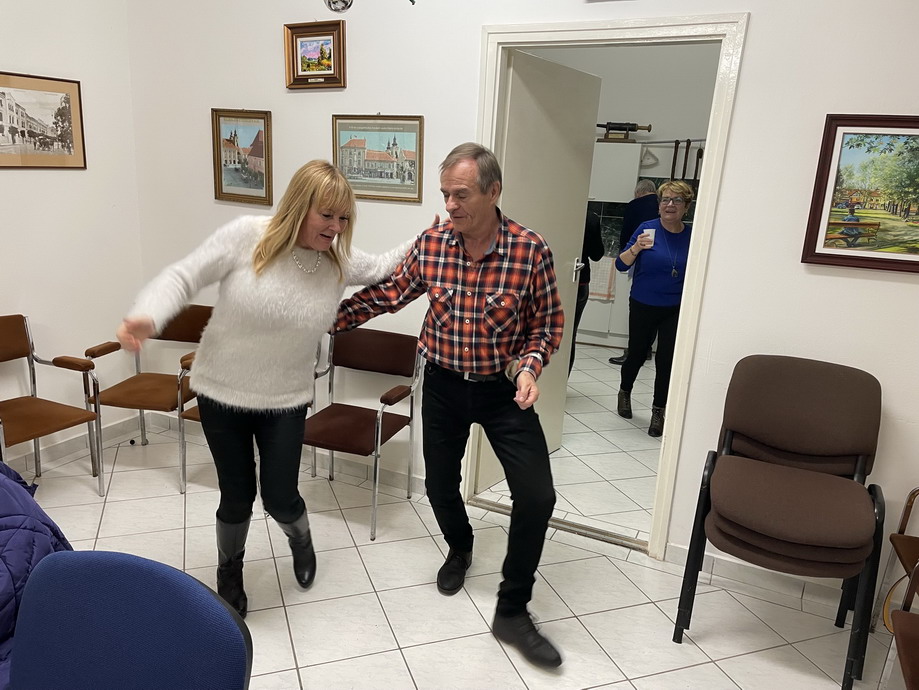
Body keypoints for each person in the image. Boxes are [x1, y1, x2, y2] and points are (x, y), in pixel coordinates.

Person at [115, 160, 408, 618]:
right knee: (236, 496)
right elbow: (184, 275)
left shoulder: (338, 263)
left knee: (280, 497)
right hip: (220, 394)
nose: (336, 227)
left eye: (343, 217)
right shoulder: (247, 237)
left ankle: (301, 538)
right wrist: (148, 314)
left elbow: (388, 264)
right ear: (299, 206)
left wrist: (434, 233)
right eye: (326, 215)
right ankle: (229, 570)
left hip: (285, 401)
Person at [333, 143, 565, 669]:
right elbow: (387, 295)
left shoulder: (530, 250)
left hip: (503, 390)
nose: (450, 205)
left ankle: (512, 610)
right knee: (439, 485)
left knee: (537, 496)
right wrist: (322, 319)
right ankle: (460, 546)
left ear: (493, 191)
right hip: (441, 384)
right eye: (445, 195)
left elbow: (547, 323)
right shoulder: (433, 244)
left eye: (461, 195)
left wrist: (530, 367)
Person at [614, 180, 694, 438]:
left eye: (677, 200)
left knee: (666, 360)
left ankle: (658, 411)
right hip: (643, 304)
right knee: (637, 354)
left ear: (686, 207)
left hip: (675, 307)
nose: (670, 204)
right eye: (665, 200)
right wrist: (636, 247)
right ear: (659, 205)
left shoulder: (693, 236)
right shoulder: (646, 229)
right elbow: (621, 265)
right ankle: (625, 391)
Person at [609, 179, 659, 366]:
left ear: (638, 192)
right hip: (661, 264)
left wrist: (625, 255)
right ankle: (646, 349)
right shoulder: (661, 206)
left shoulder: (635, 205)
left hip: (639, 259)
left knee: (640, 308)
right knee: (655, 308)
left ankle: (635, 352)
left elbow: (625, 235)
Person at [569, 208, 605, 375]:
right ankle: (562, 381)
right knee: (570, 334)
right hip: (577, 280)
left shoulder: (550, 211)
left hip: (548, 280)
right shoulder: (590, 218)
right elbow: (597, 254)